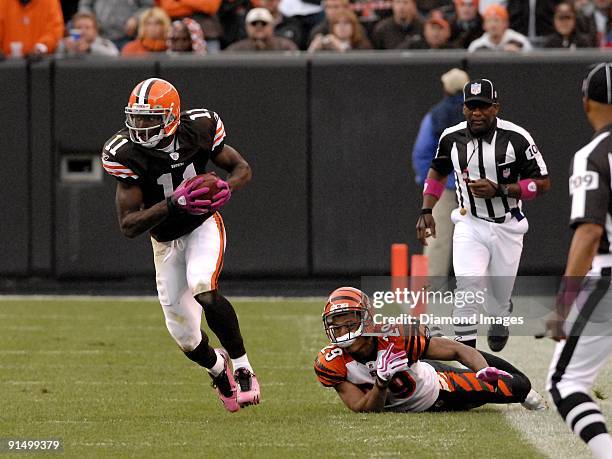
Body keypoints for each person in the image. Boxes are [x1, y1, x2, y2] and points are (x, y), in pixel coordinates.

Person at [100, 78, 259, 412]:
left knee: (204, 287)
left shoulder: (199, 127)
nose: (141, 126)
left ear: (171, 116)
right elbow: (129, 225)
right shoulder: (124, 153)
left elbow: (241, 167)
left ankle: (243, 366)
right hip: (165, 240)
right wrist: (174, 203)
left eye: (149, 118)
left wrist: (229, 187)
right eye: (137, 117)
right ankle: (219, 369)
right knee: (185, 336)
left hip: (203, 224)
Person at [416, 78, 550, 352]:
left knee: (498, 300)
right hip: (470, 222)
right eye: (471, 106)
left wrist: (501, 190)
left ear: (495, 108)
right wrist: (426, 208)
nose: (476, 112)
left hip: (507, 226)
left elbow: (542, 183)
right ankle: (467, 363)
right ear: (463, 108)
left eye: (483, 106)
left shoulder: (517, 137)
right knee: (467, 289)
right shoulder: (452, 138)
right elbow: (438, 171)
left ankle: (501, 313)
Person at [314, 287, 546, 413]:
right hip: (425, 393)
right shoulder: (331, 362)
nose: (343, 331)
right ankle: (432, 340)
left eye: (350, 323)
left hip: (437, 385)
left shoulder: (396, 337)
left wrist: (483, 370)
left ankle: (435, 340)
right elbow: (362, 409)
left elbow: (458, 350)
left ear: (368, 320)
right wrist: (381, 383)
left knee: (520, 386)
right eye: (337, 325)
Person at [541, 62, 612, 459]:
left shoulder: (593, 155)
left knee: (565, 383)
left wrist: (564, 303)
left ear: (586, 102)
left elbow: (589, 232)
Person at [412, 68, 469, 279]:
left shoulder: (435, 115)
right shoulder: (482, 112)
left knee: (438, 237)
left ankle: (431, 287)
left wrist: (427, 180)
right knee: (482, 238)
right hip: (476, 186)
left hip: (444, 185)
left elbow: (422, 150)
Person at [77, 0, 154, 51]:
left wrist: (136, 18)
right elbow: (85, 5)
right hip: (100, 39)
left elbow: (148, 6)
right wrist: (92, 22)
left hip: (128, 38)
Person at [0, 0, 64, 57]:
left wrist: (40, 48)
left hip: (40, 63)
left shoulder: (50, 2)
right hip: (7, 63)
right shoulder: (3, 2)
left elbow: (54, 31)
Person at [225, 7, 298, 51]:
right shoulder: (236, 49)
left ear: (272, 26)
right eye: (254, 23)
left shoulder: (285, 47)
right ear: (246, 27)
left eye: (264, 23)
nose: (259, 27)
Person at [468, 4, 533, 52]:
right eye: (489, 21)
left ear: (506, 23)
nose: (493, 25)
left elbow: (532, 63)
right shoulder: (476, 46)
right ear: (484, 25)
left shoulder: (520, 41)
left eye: (497, 20)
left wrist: (518, 54)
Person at [308, 9, 372, 51]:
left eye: (346, 23)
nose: (342, 27)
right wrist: (314, 48)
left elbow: (357, 61)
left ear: (354, 27)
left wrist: (340, 45)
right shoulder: (327, 46)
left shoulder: (363, 45)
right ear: (332, 27)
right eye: (337, 23)